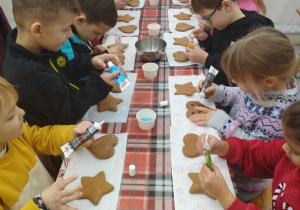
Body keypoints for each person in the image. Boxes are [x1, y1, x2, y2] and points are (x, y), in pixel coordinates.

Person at [190, 27, 299, 200]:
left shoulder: (280, 114)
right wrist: (218, 92)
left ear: (268, 82)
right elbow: (240, 95)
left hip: (243, 178)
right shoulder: (261, 86)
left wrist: (224, 123)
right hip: (229, 148)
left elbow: (257, 151)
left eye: (238, 80)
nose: (233, 82)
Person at [4, 0, 124, 127]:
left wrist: (90, 62)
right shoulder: (29, 74)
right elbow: (68, 113)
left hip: (75, 109)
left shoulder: (41, 44)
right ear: (38, 30)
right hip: (58, 135)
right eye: (66, 29)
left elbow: (66, 71)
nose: (71, 34)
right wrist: (99, 85)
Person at [0, 76, 96, 209]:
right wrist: (41, 203)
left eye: (16, 106)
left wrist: (72, 134)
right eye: (11, 115)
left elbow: (44, 137)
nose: (22, 112)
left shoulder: (16, 136)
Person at [195, 100, 300, 209]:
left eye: (294, 150)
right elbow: (259, 154)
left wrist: (224, 196)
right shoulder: (288, 152)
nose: (284, 147)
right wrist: (223, 147)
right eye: (286, 141)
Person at [186, 0, 273, 86]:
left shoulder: (252, 37)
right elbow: (219, 50)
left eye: (208, 17)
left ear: (227, 5)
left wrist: (206, 59)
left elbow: (236, 76)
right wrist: (206, 39)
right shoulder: (225, 21)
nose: (207, 22)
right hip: (216, 86)